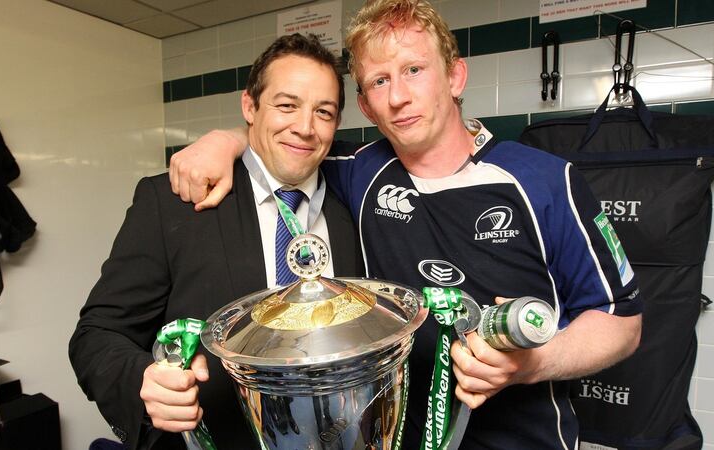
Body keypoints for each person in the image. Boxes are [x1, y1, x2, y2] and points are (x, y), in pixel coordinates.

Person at [168, 1, 643, 449]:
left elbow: (623, 323)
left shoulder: (546, 181)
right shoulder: (359, 171)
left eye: (414, 70)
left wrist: (532, 363)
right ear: (366, 106)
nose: (397, 97)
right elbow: (288, 145)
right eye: (379, 81)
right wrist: (224, 141)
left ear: (455, 76)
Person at [68, 34, 364, 450]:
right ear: (249, 106)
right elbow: (96, 335)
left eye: (324, 112)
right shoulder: (173, 203)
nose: (305, 127)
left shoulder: (353, 203)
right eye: (286, 105)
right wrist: (144, 382)